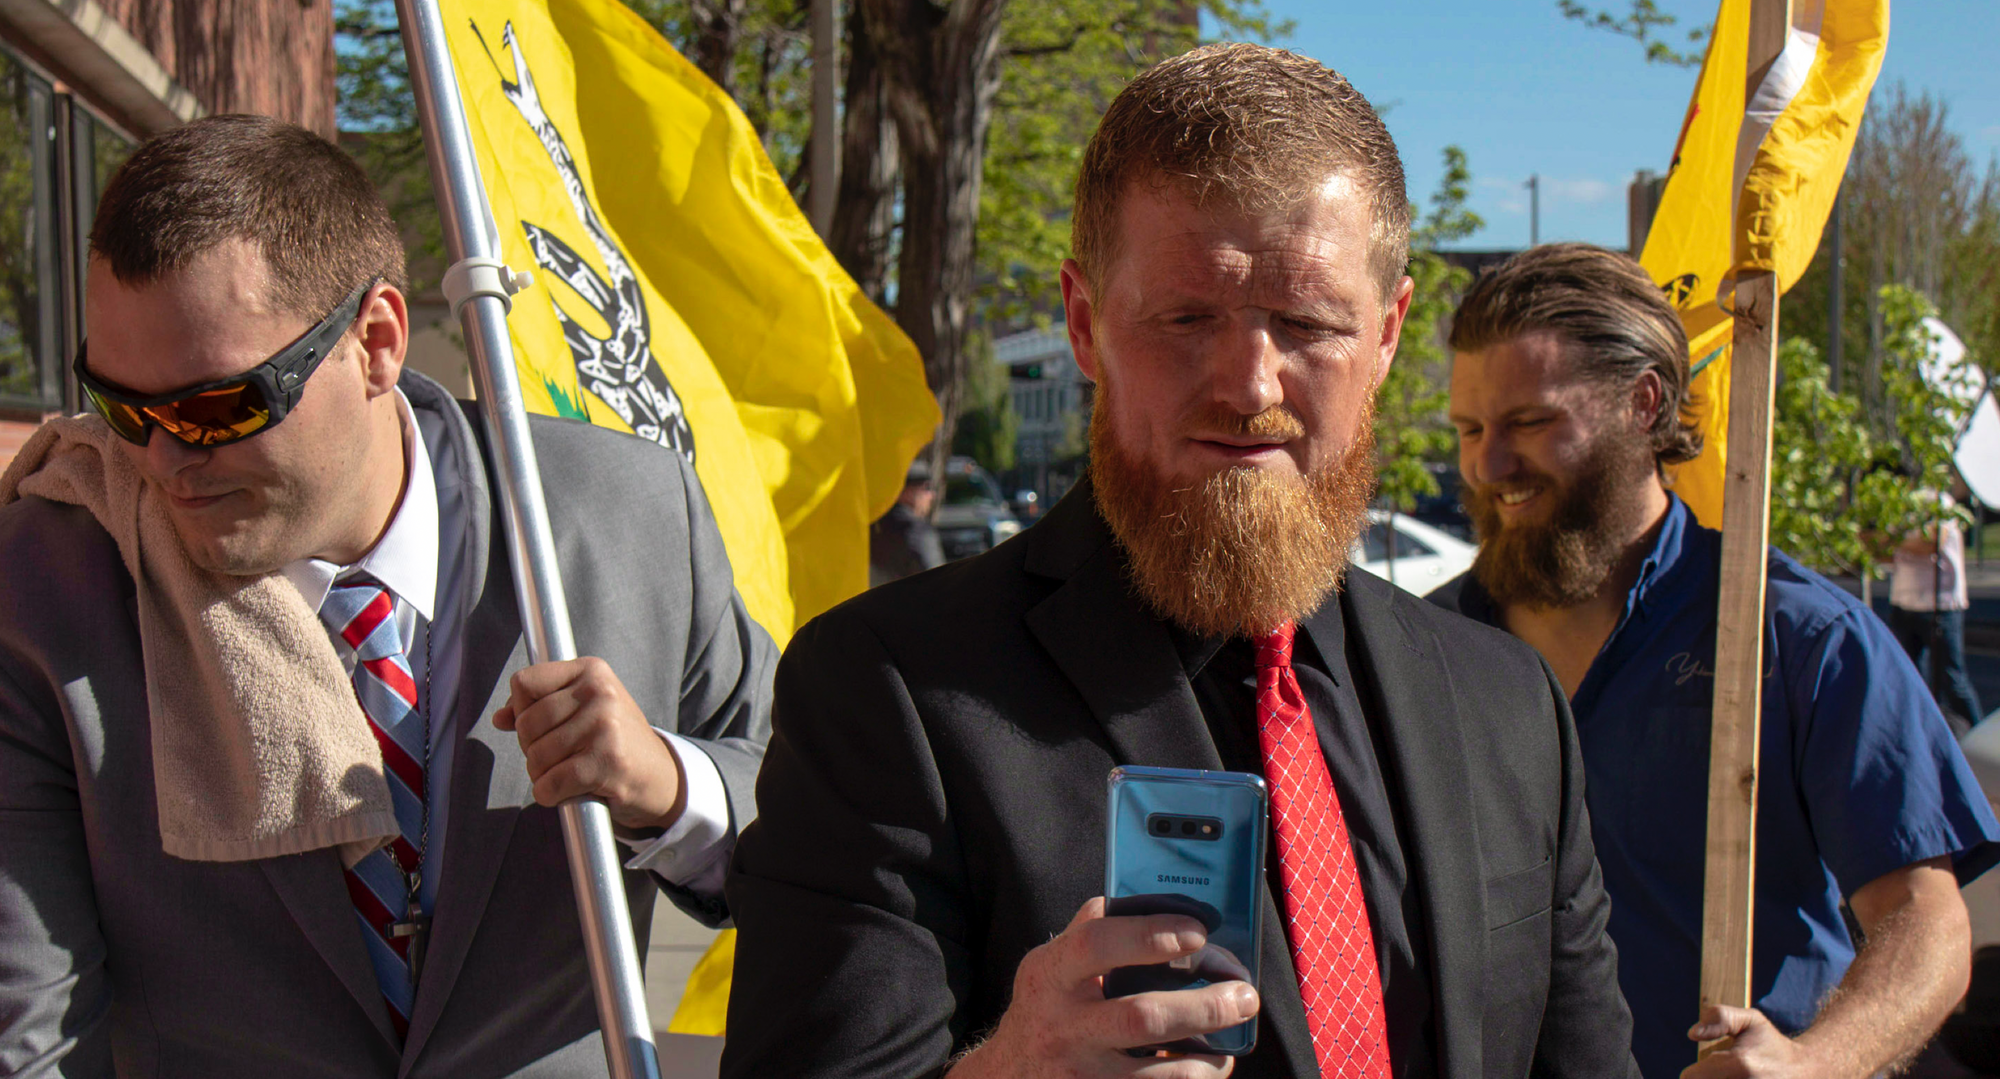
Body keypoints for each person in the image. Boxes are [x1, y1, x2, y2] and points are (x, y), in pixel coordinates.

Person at [724, 44, 1638, 1079]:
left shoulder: (1505, 703)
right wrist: (1011, 1069)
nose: (1248, 383)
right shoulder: (889, 694)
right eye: (1186, 317)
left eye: (1305, 322)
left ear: (1386, 335)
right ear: (1082, 322)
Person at [0, 116, 774, 1075]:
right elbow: (26, 1035)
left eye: (217, 408)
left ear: (376, 340)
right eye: (120, 405)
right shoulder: (46, 584)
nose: (162, 461)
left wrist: (666, 786)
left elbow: (819, 833)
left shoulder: (626, 517)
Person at [1432, 242, 2000, 1079]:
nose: (1489, 464)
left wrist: (1813, 1063)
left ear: (1643, 403)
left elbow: (1928, 921)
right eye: (1471, 430)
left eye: (1531, 422)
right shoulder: (1431, 646)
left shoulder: (1799, 637)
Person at [1888, 493, 1984, 732]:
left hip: (1939, 603)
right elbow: (1879, 548)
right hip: (1903, 601)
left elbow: (1933, 542)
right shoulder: (1896, 500)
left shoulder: (1939, 500)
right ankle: (1921, 738)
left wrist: (1892, 541)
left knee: (1953, 682)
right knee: (1908, 680)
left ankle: (1980, 738)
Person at [870, 458, 945, 584]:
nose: (932, 496)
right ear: (906, 491)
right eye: (926, 487)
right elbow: (941, 580)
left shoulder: (874, 526)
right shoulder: (919, 531)